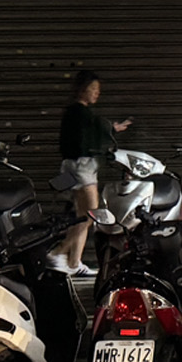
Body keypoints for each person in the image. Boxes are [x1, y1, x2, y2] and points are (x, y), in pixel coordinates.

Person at [53, 70, 130, 274]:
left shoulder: (76, 112)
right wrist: (109, 130)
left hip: (75, 167)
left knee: (81, 215)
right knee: (90, 215)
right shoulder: (79, 112)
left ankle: (74, 263)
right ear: (82, 89)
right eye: (93, 89)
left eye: (98, 90)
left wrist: (111, 128)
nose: (97, 93)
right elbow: (90, 134)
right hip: (81, 168)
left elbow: (91, 131)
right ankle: (58, 254)